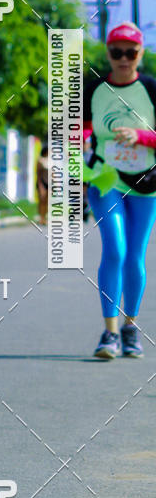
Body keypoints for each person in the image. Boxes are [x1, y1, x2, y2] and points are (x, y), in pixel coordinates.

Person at [83, 22, 156, 360]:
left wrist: (141, 137)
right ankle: (109, 332)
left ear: (140, 54)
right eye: (117, 52)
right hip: (104, 180)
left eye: (131, 52)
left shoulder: (151, 89)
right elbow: (72, 132)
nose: (124, 59)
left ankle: (130, 327)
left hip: (146, 183)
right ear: (108, 54)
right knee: (115, 249)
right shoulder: (93, 89)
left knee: (135, 255)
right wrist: (74, 167)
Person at [36, 144, 49, 225]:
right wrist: (40, 186)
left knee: (47, 202)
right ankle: (41, 218)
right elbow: (38, 174)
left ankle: (45, 217)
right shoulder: (40, 161)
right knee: (42, 201)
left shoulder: (50, 160)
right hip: (42, 183)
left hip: (49, 183)